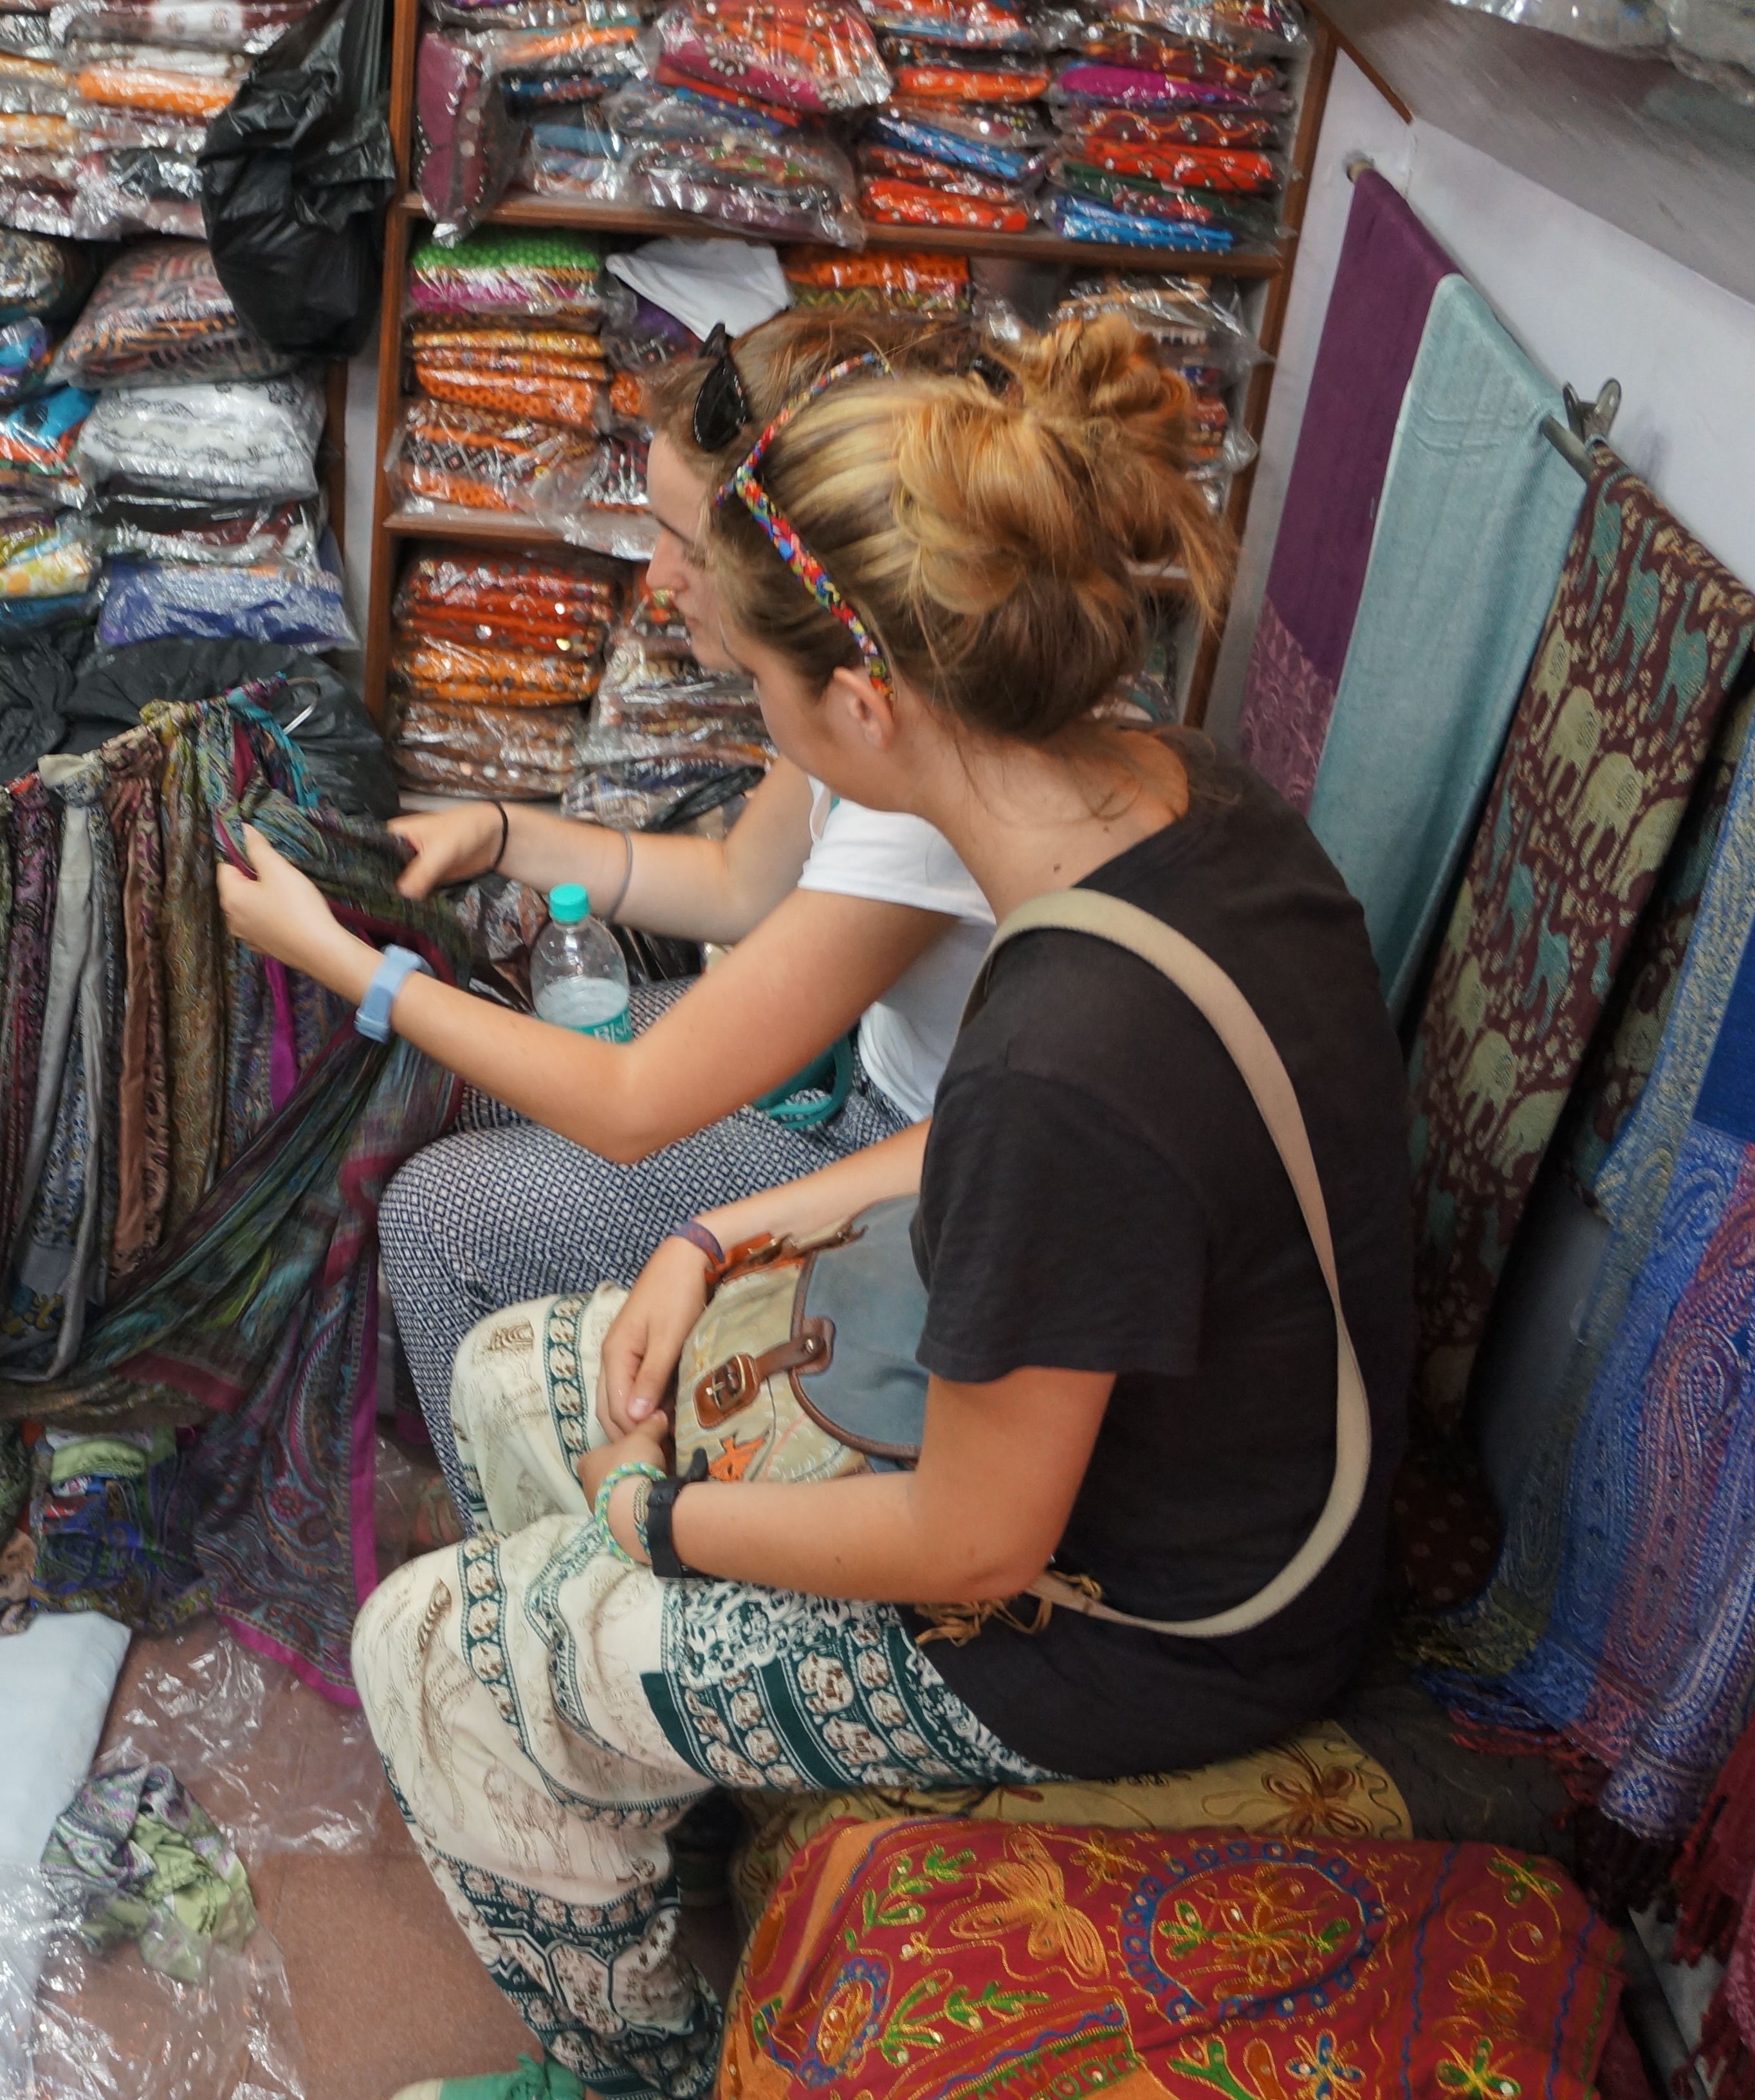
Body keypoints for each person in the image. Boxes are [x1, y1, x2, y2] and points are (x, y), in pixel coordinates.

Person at [277, 317, 1417, 2100]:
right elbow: (992, 1131)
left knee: (428, 1653)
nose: (758, 718)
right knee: (512, 1366)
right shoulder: (1190, 813)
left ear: (869, 704)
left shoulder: (1068, 1049)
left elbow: (978, 1545)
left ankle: (640, 2063)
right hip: (1187, 1477)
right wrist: (717, 1233)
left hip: (1155, 1642)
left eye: (768, 694)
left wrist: (658, 1532)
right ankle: (655, 1779)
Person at [219, 312, 1002, 1476]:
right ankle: (513, 1435)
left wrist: (355, 971)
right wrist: (503, 833)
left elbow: (631, 1102)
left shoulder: (901, 768)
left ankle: (533, 1562)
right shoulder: (872, 664)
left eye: (681, 538)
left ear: (782, 558)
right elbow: (744, 883)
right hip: (859, 1081)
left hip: (905, 1154)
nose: (658, 575)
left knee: (440, 1219)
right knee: (460, 1094)